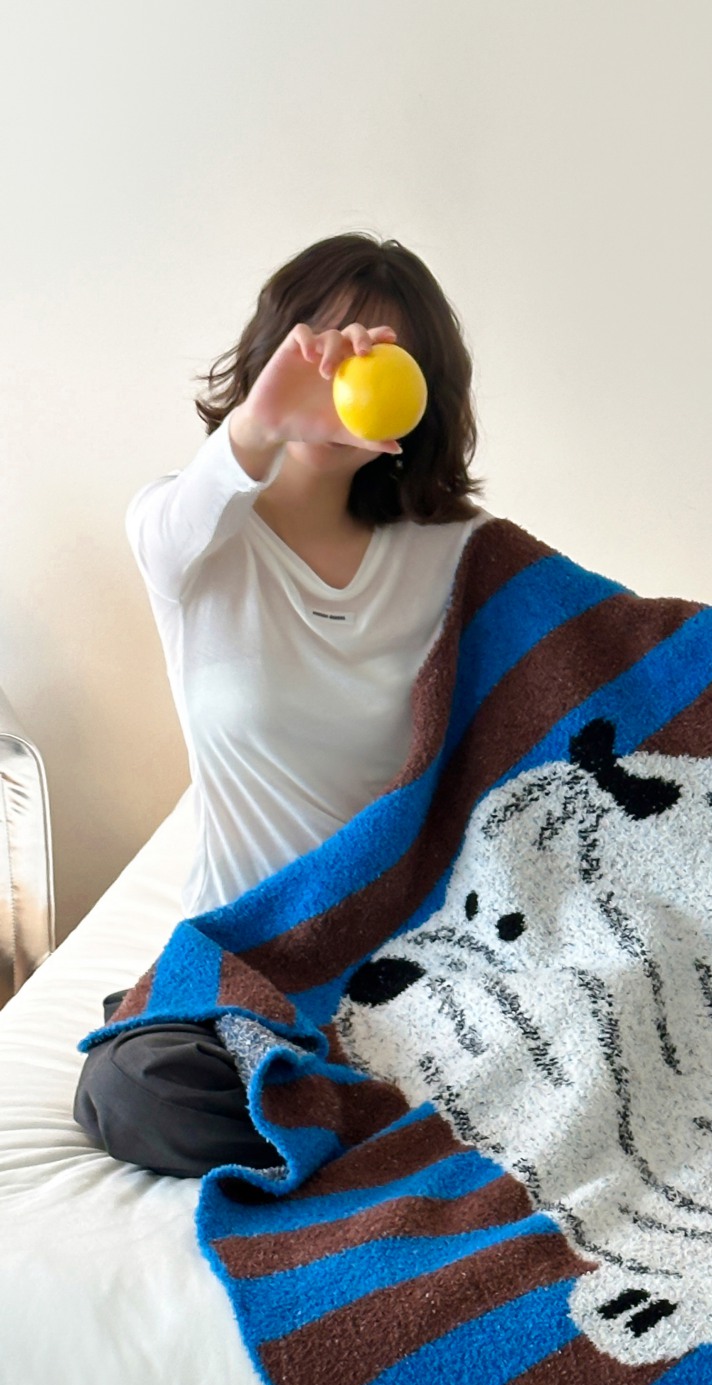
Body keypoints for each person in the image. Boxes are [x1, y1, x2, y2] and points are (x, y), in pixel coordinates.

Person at [73, 232, 488, 1177]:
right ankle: (388, 1123)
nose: (344, 378)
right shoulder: (188, 539)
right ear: (274, 353)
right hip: (248, 965)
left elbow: (613, 665)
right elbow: (190, 511)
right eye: (323, 348)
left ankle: (372, 1114)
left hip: (420, 960)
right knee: (132, 1089)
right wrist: (262, 423)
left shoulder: (463, 555)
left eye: (379, 358)